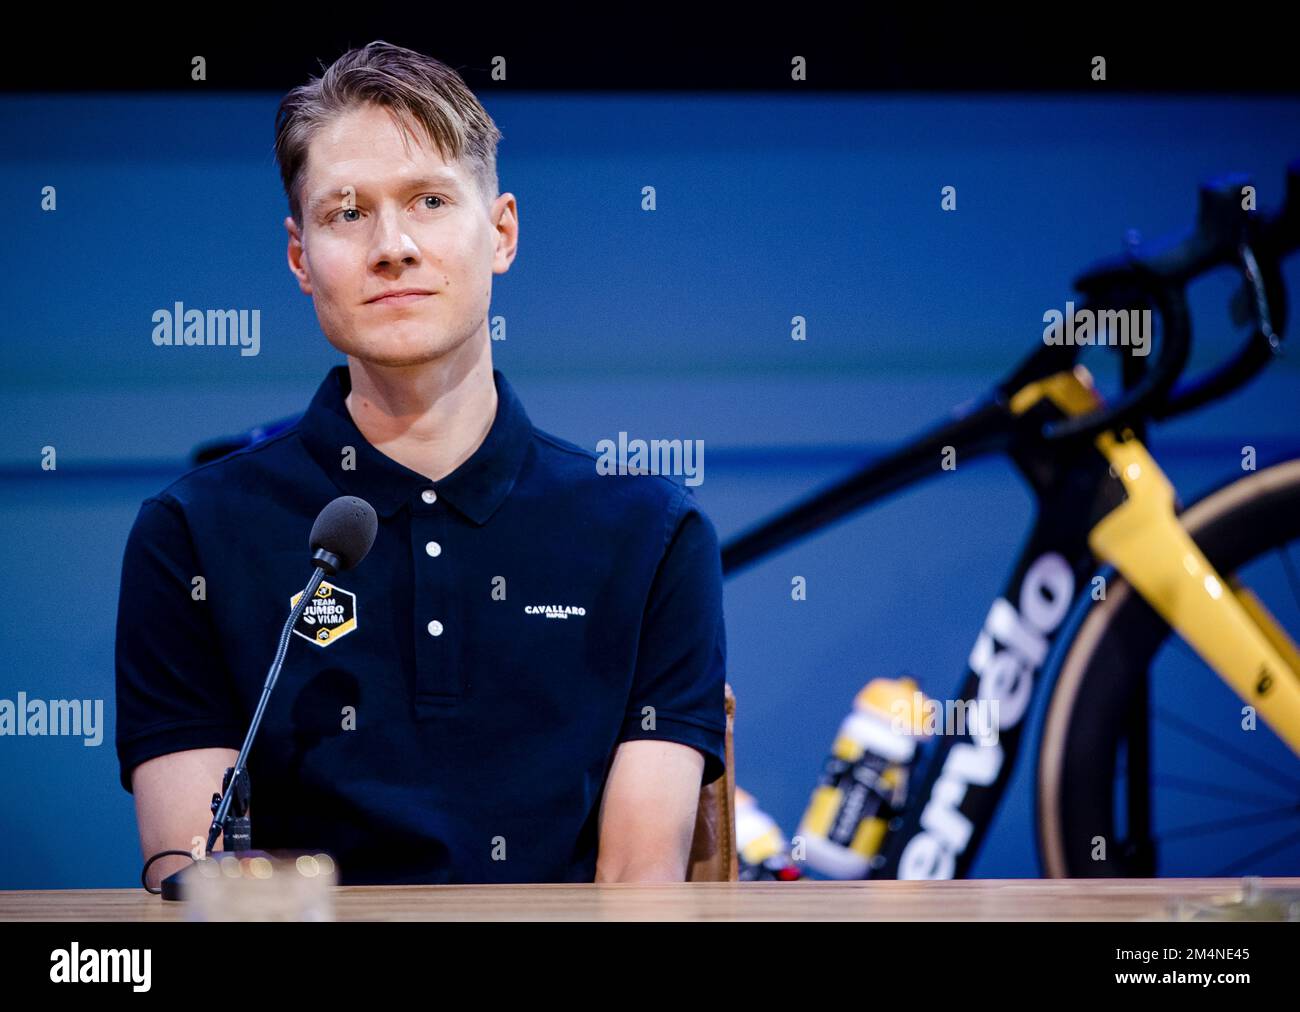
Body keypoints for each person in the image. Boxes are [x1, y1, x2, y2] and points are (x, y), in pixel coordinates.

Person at [115, 40, 727, 889]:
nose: (391, 246)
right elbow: (195, 883)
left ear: (502, 232)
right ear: (300, 257)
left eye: (430, 200)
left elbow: (636, 886)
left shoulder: (652, 533)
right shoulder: (191, 535)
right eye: (346, 213)